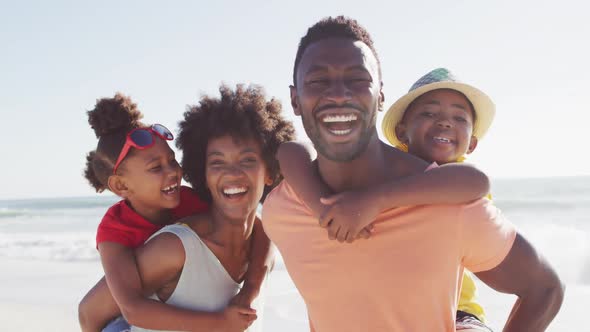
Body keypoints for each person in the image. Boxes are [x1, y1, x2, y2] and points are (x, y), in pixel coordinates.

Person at [262, 16, 564, 332]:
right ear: (295, 100)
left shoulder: (450, 206)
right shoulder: (282, 211)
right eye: (318, 81)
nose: (338, 94)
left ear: (380, 96)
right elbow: (288, 155)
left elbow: (545, 290)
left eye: (357, 79)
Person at [277, 67, 496, 331]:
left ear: (471, 144)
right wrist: (321, 208)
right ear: (402, 131)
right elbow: (290, 152)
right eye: (428, 113)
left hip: (458, 311)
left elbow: (478, 180)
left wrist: (376, 200)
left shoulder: (458, 180)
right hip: (389, 306)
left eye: (459, 118)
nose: (445, 122)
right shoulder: (384, 168)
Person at [77, 92, 274, 331]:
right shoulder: (115, 229)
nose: (172, 172)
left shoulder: (188, 200)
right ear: (122, 186)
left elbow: (257, 225)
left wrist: (251, 288)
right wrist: (221, 323)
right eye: (156, 168)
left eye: (172, 161)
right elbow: (125, 309)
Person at [127, 83, 295, 331]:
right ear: (203, 174)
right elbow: (93, 312)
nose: (232, 174)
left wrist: (251, 289)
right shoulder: (174, 248)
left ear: (270, 171)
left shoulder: (261, 244)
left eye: (247, 160)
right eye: (217, 163)